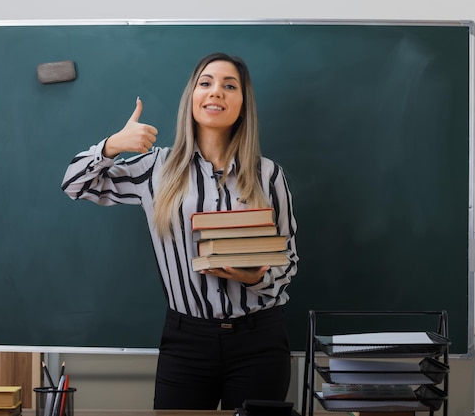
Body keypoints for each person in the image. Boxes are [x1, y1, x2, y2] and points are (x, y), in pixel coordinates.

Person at [61, 52, 299, 410]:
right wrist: (113, 146)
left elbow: (289, 262)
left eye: (229, 86)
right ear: (192, 97)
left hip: (259, 340)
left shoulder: (268, 175)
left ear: (243, 105)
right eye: (206, 83)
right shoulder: (155, 168)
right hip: (187, 342)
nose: (216, 92)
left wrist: (254, 278)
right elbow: (73, 185)